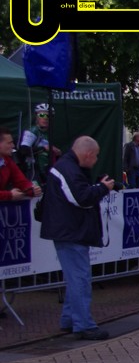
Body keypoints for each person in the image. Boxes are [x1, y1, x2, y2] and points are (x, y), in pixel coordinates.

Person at [39, 136, 114, 340]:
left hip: (68, 231)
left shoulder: (66, 167)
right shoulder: (69, 170)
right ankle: (84, 325)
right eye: (96, 156)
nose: (96, 160)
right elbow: (82, 198)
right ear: (88, 154)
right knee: (80, 279)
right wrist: (102, 188)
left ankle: (70, 320)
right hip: (72, 232)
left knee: (76, 278)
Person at [18, 103, 60, 186]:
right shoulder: (32, 131)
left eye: (49, 116)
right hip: (32, 170)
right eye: (42, 115)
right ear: (36, 116)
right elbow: (23, 150)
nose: (45, 118)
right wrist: (44, 148)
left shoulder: (46, 134)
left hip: (44, 170)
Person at [0, 126, 42, 201]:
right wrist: (9, 195)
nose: (13, 146)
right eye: (9, 143)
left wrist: (32, 190)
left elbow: (21, 182)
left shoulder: (7, 161)